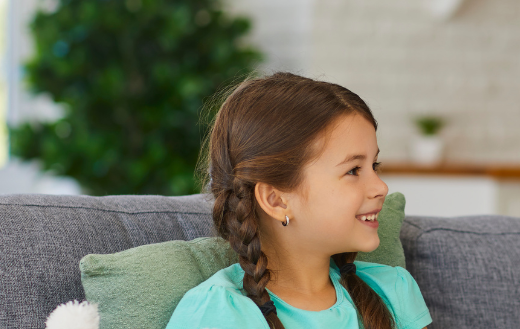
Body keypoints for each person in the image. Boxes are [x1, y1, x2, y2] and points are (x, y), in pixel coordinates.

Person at [167, 73, 432, 329]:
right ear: (276, 200)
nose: (381, 187)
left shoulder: (393, 292)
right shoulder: (219, 313)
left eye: (375, 165)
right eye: (353, 170)